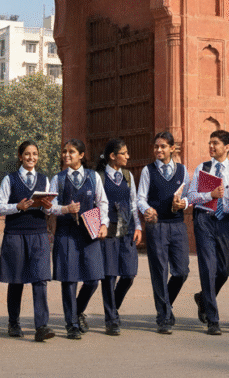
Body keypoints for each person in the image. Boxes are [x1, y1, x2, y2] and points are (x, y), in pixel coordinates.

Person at [0, 140, 55, 342]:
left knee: (40, 279)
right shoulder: (9, 179)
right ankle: (14, 322)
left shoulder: (44, 179)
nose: (32, 158)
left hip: (38, 234)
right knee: (16, 279)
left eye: (35, 154)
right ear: (20, 156)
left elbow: (49, 210)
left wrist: (47, 206)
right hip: (15, 234)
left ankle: (42, 326)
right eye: (27, 154)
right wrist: (17, 207)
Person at [50, 138, 108, 339]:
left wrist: (104, 224)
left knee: (93, 279)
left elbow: (102, 202)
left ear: (81, 155)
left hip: (89, 231)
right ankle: (71, 324)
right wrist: (64, 209)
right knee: (69, 279)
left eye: (71, 151)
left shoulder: (93, 177)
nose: (66, 155)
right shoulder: (58, 179)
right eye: (65, 151)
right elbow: (49, 206)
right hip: (66, 231)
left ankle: (78, 310)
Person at [136, 131, 190, 334]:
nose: (158, 150)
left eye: (163, 146)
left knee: (182, 271)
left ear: (172, 148)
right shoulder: (148, 171)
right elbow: (141, 198)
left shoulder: (183, 171)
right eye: (156, 146)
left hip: (177, 225)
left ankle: (166, 305)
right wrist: (146, 209)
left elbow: (187, 197)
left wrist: (182, 204)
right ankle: (164, 317)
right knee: (159, 271)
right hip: (157, 226)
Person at [188, 129, 229, 336]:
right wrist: (210, 194)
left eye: (215, 143)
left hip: (225, 221)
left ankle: (203, 298)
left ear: (226, 147)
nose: (211, 146)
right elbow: (191, 196)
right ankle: (213, 318)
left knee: (224, 270)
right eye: (210, 143)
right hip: (204, 220)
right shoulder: (204, 167)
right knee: (208, 269)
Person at [95, 138, 142, 335]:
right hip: (107, 229)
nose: (128, 156)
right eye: (124, 153)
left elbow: (133, 204)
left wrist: (138, 226)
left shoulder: (128, 176)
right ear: (113, 156)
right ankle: (111, 319)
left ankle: (112, 308)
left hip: (126, 227)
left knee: (129, 274)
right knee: (109, 275)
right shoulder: (98, 177)